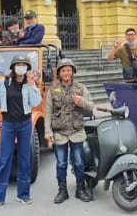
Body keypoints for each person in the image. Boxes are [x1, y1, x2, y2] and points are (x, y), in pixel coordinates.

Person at [0, 55, 42, 209]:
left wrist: (33, 85)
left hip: (25, 124)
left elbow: (36, 102)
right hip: (7, 125)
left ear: (27, 67)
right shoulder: (4, 83)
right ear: (13, 66)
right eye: (18, 64)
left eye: (24, 64)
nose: (21, 67)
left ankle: (24, 195)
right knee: (4, 160)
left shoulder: (29, 84)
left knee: (24, 159)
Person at [45, 58, 93, 204]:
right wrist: (48, 132)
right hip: (59, 132)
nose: (66, 73)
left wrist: (82, 102)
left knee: (78, 162)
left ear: (72, 72)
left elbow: (91, 106)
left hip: (76, 131)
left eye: (68, 70)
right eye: (63, 70)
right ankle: (62, 190)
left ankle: (80, 189)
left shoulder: (80, 88)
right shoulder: (53, 89)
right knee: (61, 163)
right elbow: (48, 111)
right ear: (59, 73)